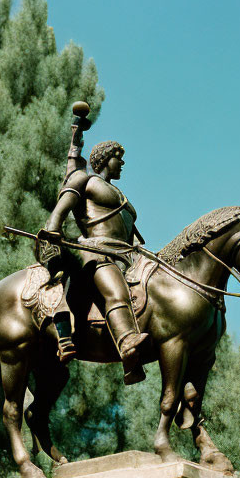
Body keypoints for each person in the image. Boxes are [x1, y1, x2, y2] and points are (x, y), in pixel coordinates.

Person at [39, 139, 149, 385]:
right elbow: (61, 209)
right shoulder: (84, 179)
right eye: (117, 157)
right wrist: (53, 230)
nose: (122, 162)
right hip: (95, 251)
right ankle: (128, 346)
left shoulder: (120, 194)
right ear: (104, 158)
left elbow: (128, 231)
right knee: (114, 288)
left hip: (126, 254)